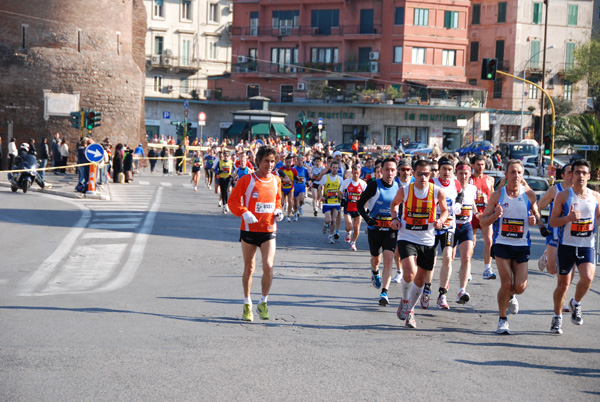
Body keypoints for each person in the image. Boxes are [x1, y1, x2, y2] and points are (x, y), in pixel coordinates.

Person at [480, 159, 541, 335]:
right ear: (506, 175)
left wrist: (534, 220)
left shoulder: (529, 195)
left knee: (520, 287)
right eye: (512, 172)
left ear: (522, 175)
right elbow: (483, 221)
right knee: (506, 283)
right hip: (502, 244)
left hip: (522, 245)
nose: (516, 176)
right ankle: (502, 319)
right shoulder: (498, 195)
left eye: (519, 172)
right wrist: (494, 216)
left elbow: (536, 217)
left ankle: (511, 295)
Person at [228, 146, 284, 321]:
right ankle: (247, 303)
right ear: (258, 161)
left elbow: (277, 201)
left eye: (272, 161)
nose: (269, 164)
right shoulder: (247, 179)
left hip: (268, 230)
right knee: (249, 268)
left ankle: (263, 302)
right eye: (266, 161)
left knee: (268, 266)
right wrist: (244, 212)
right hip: (249, 230)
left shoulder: (276, 180)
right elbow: (233, 201)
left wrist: (279, 211)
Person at [390, 159, 448, 328]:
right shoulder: (405, 190)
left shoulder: (437, 191)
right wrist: (395, 218)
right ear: (413, 174)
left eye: (426, 174)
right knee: (409, 274)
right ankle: (406, 302)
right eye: (420, 174)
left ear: (431, 175)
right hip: (407, 236)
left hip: (428, 239)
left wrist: (441, 220)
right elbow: (394, 204)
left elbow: (444, 211)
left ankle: (409, 308)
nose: (423, 177)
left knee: (421, 279)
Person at [548, 159, 600, 334]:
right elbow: (553, 221)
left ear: (589, 176)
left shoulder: (595, 197)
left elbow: (598, 219)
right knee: (563, 285)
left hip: (587, 245)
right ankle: (557, 317)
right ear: (571, 175)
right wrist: (568, 219)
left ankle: (575, 303)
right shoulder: (564, 196)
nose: (581, 176)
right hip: (567, 245)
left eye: (584, 173)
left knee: (587, 278)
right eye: (577, 172)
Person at [357, 157, 400, 306]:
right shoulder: (374, 185)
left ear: (396, 172)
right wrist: (368, 219)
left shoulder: (399, 187)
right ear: (381, 171)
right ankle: (375, 272)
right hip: (375, 228)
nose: (389, 173)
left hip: (391, 229)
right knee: (376, 258)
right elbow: (360, 205)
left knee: (389, 258)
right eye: (387, 169)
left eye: (392, 170)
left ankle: (384, 292)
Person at [423, 156, 462, 310]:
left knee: (447, 257)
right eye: (444, 169)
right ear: (438, 170)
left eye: (450, 169)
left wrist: (459, 203)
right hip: (432, 227)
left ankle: (442, 294)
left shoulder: (456, 183)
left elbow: (461, 193)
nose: (447, 172)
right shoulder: (432, 183)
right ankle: (427, 289)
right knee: (430, 262)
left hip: (448, 226)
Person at [537, 164, 573, 274]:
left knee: (565, 270)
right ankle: (546, 257)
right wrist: (541, 226)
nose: (573, 175)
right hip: (554, 233)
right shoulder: (554, 191)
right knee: (552, 270)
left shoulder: (581, 192)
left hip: (572, 235)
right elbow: (537, 208)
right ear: (563, 175)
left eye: (574, 172)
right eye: (569, 173)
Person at [452, 162, 478, 304]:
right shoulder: (451, 188)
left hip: (466, 226)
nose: (463, 176)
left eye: (466, 174)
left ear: (470, 175)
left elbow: (472, 202)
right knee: (448, 258)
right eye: (461, 173)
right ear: (456, 174)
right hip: (451, 226)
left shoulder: (473, 188)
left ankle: (462, 290)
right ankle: (444, 288)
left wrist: (476, 213)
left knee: (466, 258)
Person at [470, 154, 497, 280]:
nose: (481, 167)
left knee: (489, 240)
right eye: (478, 164)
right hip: (473, 214)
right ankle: (467, 267)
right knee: (472, 243)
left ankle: (487, 268)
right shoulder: (469, 179)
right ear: (473, 166)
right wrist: (476, 212)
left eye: (482, 164)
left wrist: (492, 211)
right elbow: (468, 198)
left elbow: (492, 196)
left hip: (486, 213)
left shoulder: (489, 179)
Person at [339, 163, 367, 251]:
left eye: (357, 173)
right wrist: (342, 198)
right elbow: (340, 191)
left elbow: (366, 196)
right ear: (352, 172)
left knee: (357, 227)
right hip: (348, 208)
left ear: (360, 173)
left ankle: (353, 243)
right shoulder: (346, 182)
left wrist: (365, 208)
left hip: (358, 209)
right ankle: (348, 232)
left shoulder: (363, 184)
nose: (355, 175)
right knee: (350, 226)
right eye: (354, 173)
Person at [319, 160, 343, 244]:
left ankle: (330, 236)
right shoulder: (325, 177)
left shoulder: (340, 179)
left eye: (336, 168)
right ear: (331, 168)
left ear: (338, 169)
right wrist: (321, 196)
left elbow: (341, 191)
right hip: (327, 202)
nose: (335, 169)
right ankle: (325, 224)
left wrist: (342, 195)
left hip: (336, 202)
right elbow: (320, 187)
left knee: (334, 220)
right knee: (328, 220)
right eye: (333, 168)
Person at [277, 154, 297, 222]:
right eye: (287, 162)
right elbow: (278, 178)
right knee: (281, 202)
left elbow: (297, 177)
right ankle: (280, 213)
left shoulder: (293, 170)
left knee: (291, 201)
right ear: (285, 162)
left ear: (291, 162)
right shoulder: (281, 169)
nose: (288, 164)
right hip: (282, 188)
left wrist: (297, 178)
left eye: (289, 162)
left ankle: (288, 216)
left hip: (290, 188)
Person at [292, 154, 310, 221]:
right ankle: (295, 214)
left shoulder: (305, 169)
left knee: (301, 199)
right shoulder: (293, 169)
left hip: (301, 187)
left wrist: (307, 182)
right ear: (296, 161)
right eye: (298, 160)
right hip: (294, 187)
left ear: (303, 161)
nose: (300, 162)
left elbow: (307, 177)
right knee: (295, 202)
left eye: (301, 160)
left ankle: (300, 207)